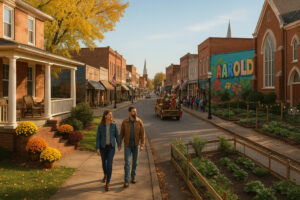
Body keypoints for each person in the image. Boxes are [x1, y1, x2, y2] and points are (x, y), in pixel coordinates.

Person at [120, 106, 145, 188]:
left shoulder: (139, 121)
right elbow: (121, 134)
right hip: (127, 145)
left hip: (136, 145)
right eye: (133, 111)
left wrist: (142, 144)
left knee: (135, 162)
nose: (135, 113)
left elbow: (142, 134)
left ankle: (133, 177)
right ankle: (126, 180)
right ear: (129, 112)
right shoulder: (125, 122)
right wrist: (119, 143)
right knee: (127, 162)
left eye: (135, 111)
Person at [96, 110, 121, 191]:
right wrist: (97, 148)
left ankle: (108, 182)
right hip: (103, 147)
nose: (111, 116)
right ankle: (105, 175)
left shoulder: (114, 125)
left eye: (111, 115)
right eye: (109, 115)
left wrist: (119, 144)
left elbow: (117, 135)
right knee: (104, 163)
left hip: (111, 148)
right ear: (105, 116)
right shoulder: (100, 126)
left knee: (109, 163)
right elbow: (98, 138)